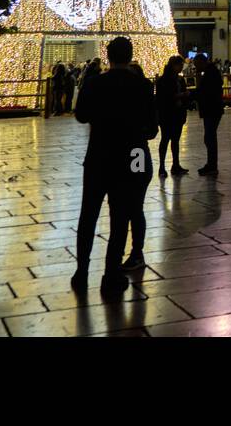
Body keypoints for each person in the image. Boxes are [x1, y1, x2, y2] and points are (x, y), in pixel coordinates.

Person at [72, 37, 156, 294]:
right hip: (129, 159)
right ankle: (111, 273)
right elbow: (152, 129)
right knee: (120, 217)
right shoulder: (142, 85)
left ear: (108, 56)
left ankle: (82, 270)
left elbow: (81, 115)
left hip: (98, 156)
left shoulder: (95, 82)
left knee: (88, 215)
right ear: (130, 56)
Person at [156, 55, 190, 176]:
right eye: (179, 65)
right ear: (173, 65)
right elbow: (163, 98)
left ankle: (176, 165)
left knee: (175, 140)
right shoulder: (163, 80)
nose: (181, 67)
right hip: (167, 113)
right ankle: (161, 166)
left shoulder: (180, 79)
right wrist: (181, 95)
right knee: (165, 139)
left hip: (178, 113)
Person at [195, 53, 223, 175]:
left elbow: (203, 90)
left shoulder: (210, 72)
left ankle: (212, 166)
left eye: (197, 65)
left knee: (210, 138)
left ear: (202, 62)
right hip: (213, 109)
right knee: (209, 137)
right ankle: (211, 164)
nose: (196, 68)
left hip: (212, 109)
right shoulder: (211, 71)